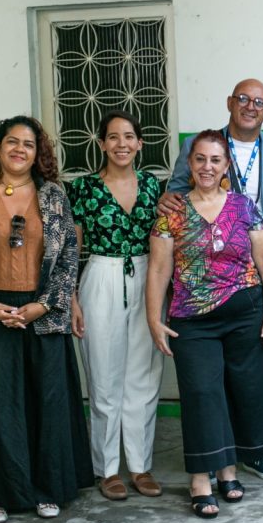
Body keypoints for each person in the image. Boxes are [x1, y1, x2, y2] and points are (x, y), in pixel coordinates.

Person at [0, 115, 93, 523]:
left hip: (42, 312)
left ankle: (48, 489)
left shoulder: (53, 195)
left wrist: (45, 305)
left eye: (28, 145)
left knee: (46, 400)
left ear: (37, 153)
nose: (19, 150)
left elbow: (68, 258)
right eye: (11, 142)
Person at [159, 78, 263, 481]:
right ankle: (219, 460)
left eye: (259, 102)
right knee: (208, 382)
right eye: (243, 98)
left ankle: (256, 453)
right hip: (200, 282)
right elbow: (173, 198)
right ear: (229, 102)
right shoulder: (199, 146)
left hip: (255, 278)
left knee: (253, 377)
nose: (250, 106)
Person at [146, 130, 263, 518]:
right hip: (192, 320)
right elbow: (158, 271)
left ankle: (227, 469)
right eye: (200, 159)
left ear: (226, 166)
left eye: (215, 160)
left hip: (246, 314)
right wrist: (154, 319)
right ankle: (200, 478)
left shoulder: (245, 207)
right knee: (203, 393)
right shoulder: (170, 214)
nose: (208, 167)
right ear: (189, 164)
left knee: (242, 391)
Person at [69, 110, 165, 501]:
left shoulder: (154, 187)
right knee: (104, 377)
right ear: (102, 143)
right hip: (101, 275)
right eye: (113, 137)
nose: (121, 144)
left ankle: (140, 465)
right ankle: (106, 469)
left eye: (129, 136)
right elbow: (71, 247)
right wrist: (71, 296)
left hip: (147, 275)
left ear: (140, 143)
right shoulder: (84, 188)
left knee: (144, 376)